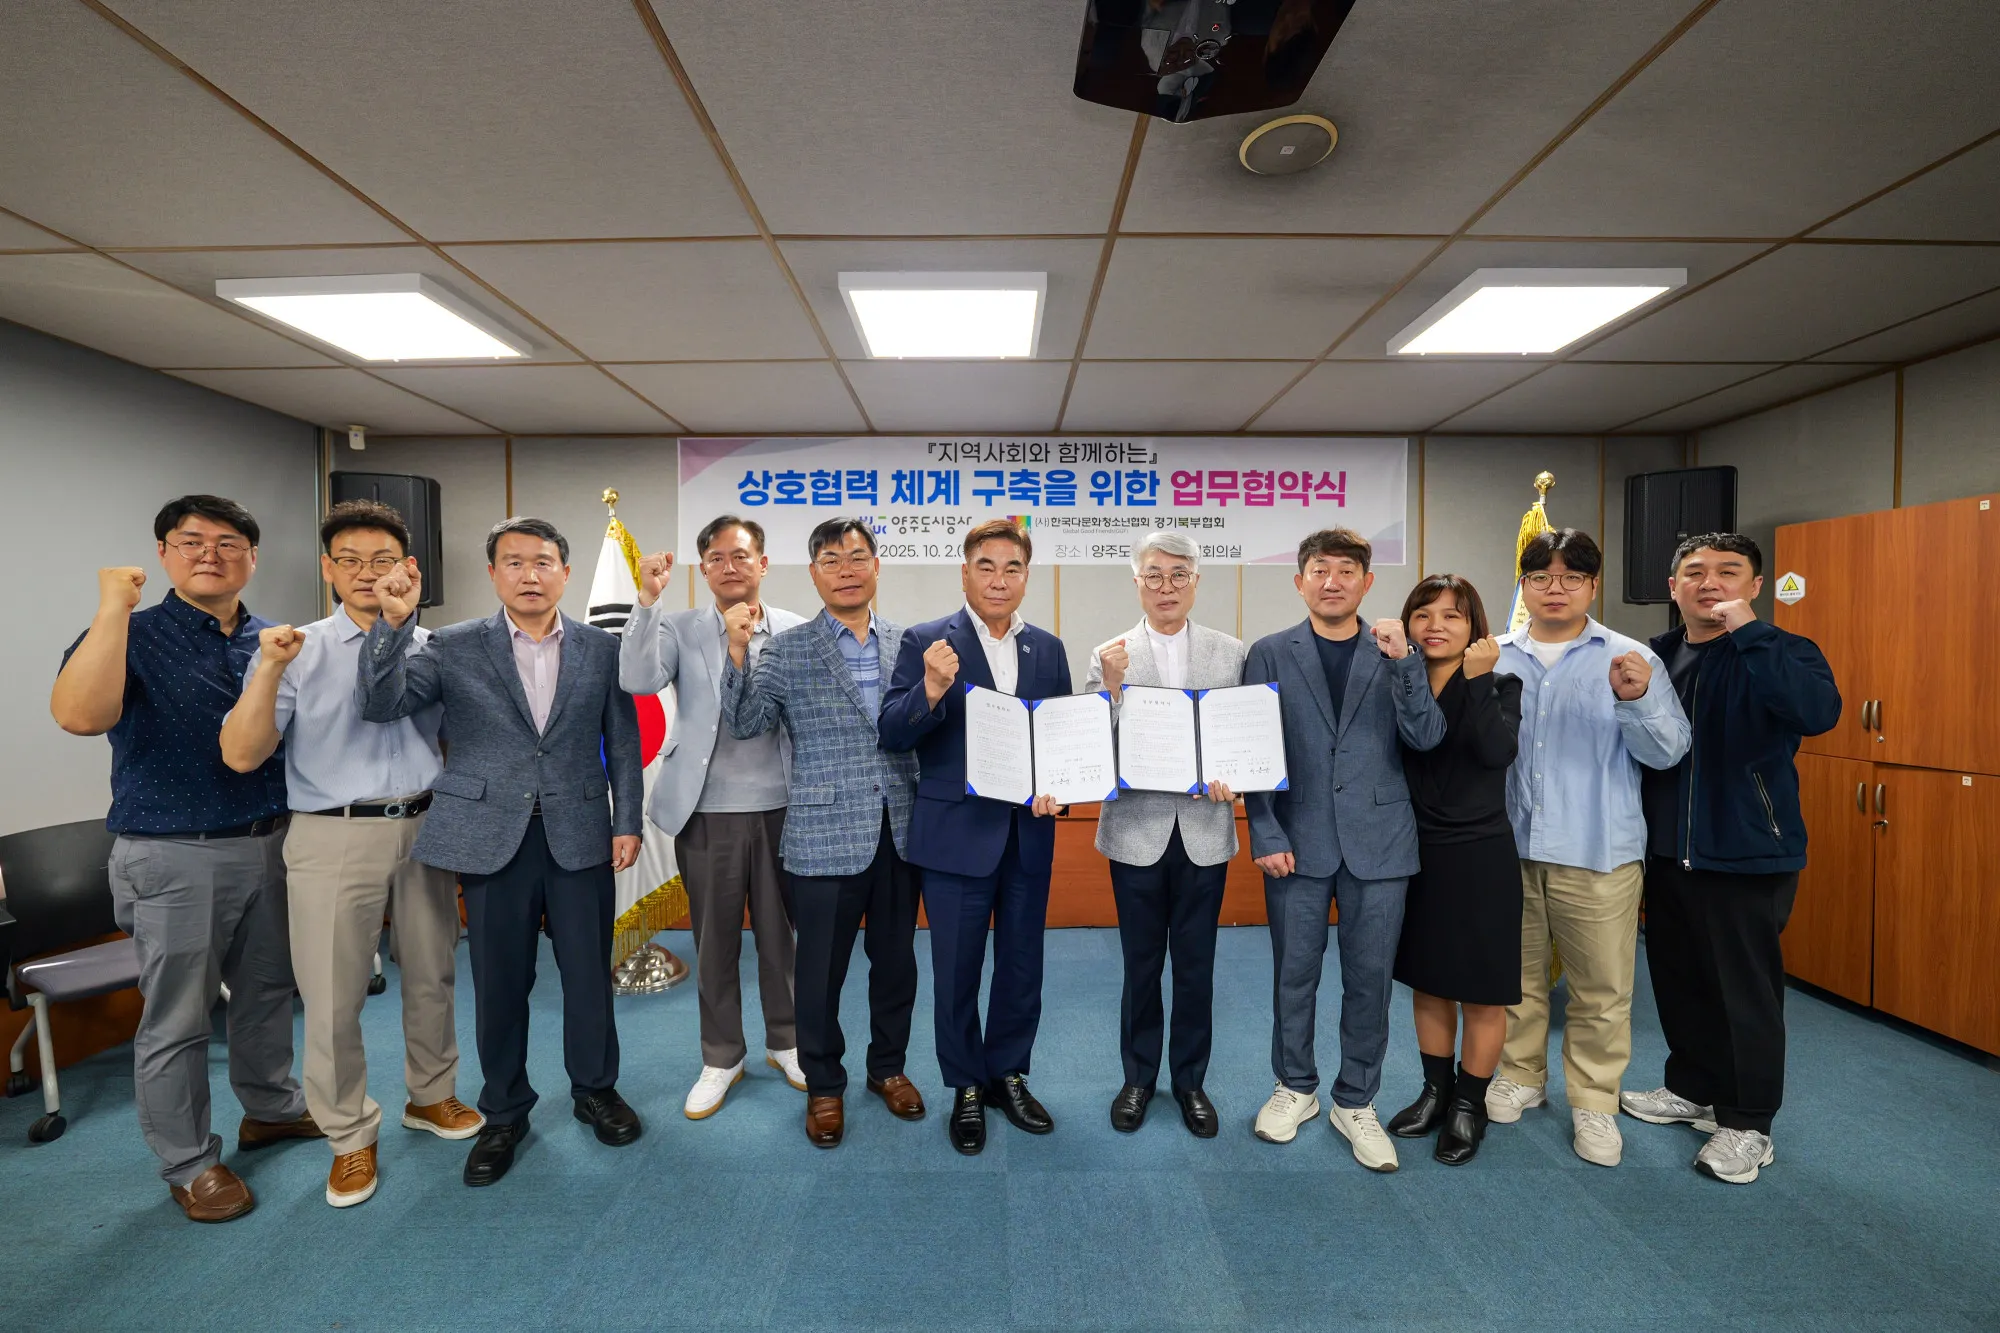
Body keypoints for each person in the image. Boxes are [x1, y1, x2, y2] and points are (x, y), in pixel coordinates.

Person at [50, 495, 318, 1223]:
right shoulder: (129, 633)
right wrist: (113, 607)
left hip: (272, 843)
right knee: (178, 1017)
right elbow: (79, 715)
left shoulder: (272, 638)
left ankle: (271, 1107)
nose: (210, 554)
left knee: (268, 994)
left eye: (228, 542)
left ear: (251, 558)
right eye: (191, 541)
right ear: (163, 553)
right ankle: (190, 1162)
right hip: (174, 854)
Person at [357, 517, 645, 1188]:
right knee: (499, 982)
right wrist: (393, 623)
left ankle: (595, 1089)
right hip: (489, 836)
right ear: (493, 574)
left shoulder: (602, 648)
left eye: (543, 562)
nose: (529, 574)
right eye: (513, 562)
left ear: (565, 573)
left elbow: (624, 740)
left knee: (587, 975)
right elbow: (381, 703)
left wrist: (626, 820)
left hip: (580, 831)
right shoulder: (453, 644)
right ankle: (505, 1111)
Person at [217, 500, 480, 1209]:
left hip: (426, 825)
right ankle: (349, 1135)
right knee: (333, 995)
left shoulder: (436, 647)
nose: (368, 573)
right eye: (352, 561)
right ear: (328, 569)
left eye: (383, 560)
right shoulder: (292, 648)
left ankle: (432, 1094)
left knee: (433, 973)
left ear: (409, 568)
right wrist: (267, 672)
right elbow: (242, 753)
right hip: (333, 831)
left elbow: (460, 740)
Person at [1624, 533, 1840, 1185]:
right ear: (1673, 587)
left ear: (1755, 585)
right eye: (1694, 572)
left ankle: (1748, 1122)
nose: (1709, 582)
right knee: (1679, 979)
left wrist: (1750, 631)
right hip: (1667, 852)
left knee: (1744, 993)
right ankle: (1692, 1088)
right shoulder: (1654, 655)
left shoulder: (1782, 650)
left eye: (1728, 571)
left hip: (1747, 851)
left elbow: (1816, 712)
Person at [1241, 527, 1445, 1172]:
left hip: (1381, 842)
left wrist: (1406, 662)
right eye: (1320, 570)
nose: (1333, 581)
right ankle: (1295, 1087)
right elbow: (1251, 751)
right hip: (1296, 841)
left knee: (1370, 980)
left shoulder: (1395, 651)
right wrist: (1265, 831)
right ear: (1299, 581)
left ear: (1367, 581)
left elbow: (1426, 737)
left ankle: (1356, 1099)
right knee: (1293, 975)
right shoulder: (1269, 653)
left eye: (1346, 570)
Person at [1485, 528, 1690, 1168]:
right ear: (1523, 585)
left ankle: (1595, 1100)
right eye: (1541, 577)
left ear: (1593, 586)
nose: (1556, 589)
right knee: (1515, 979)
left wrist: (1636, 700)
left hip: (1599, 851)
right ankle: (1521, 1074)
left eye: (1572, 577)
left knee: (1601, 989)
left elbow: (1668, 752)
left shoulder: (1631, 658)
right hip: (1508, 846)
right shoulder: (1491, 657)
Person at [721, 517, 924, 1148]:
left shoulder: (911, 643)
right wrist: (737, 654)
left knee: (896, 965)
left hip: (901, 829)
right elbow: (747, 722)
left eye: (857, 557)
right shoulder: (785, 648)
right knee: (818, 973)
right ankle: (824, 1084)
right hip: (821, 833)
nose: (846, 570)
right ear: (813, 573)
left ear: (877, 566)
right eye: (831, 560)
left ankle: (887, 1069)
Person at [880, 518, 1072, 1156]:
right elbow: (893, 732)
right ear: (964, 574)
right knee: (956, 970)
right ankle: (965, 1085)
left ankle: (1008, 1075)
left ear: (1026, 577)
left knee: (1021, 966)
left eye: (1011, 568)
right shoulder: (926, 641)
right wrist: (931, 687)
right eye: (985, 567)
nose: (998, 579)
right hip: (955, 837)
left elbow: (1060, 741)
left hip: (1027, 835)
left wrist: (1059, 786)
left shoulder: (1047, 649)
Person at [619, 515, 807, 1120]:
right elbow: (636, 679)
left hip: (782, 805)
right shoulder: (678, 627)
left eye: (741, 555)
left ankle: (787, 1042)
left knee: (781, 938)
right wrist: (647, 600)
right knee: (714, 941)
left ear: (763, 563)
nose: (730, 566)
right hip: (705, 808)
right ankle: (721, 1056)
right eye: (717, 558)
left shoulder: (794, 629)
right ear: (703, 569)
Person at [1085, 531, 1244, 1139]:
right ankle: (1138, 1078)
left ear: (1196, 582)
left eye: (1179, 574)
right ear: (1137, 582)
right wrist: (1111, 688)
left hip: (1205, 830)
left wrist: (1237, 777)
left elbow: (1242, 735)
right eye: (1154, 574)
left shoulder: (1231, 653)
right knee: (1141, 964)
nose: (1166, 586)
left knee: (1197, 966)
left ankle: (1191, 1082)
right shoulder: (1108, 654)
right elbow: (1091, 745)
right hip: (1136, 833)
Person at [1381, 575, 1522, 1166]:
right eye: (1424, 614)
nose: (1435, 625)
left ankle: (1469, 1105)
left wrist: (1478, 679)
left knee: (1482, 992)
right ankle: (1435, 1093)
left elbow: (1496, 753)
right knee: (1430, 981)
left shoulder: (1501, 683)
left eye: (1452, 615)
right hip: (1416, 852)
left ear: (1475, 627)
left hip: (1481, 852)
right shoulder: (1397, 680)